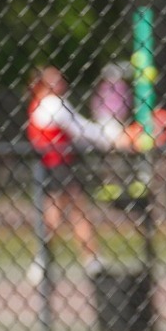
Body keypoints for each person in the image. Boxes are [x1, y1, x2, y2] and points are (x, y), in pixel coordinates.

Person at [25, 64, 125, 283]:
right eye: (55, 79)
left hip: (53, 166)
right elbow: (81, 129)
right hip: (57, 165)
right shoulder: (53, 104)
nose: (62, 82)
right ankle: (54, 261)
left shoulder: (42, 104)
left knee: (70, 213)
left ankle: (87, 259)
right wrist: (112, 138)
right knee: (63, 215)